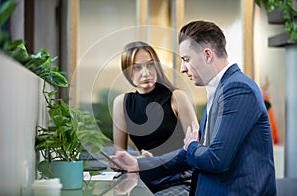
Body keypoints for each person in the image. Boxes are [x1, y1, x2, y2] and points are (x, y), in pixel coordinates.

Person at [110, 21, 276, 195]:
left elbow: (215, 159)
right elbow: (190, 153)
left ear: (207, 55)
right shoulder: (220, 89)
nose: (182, 68)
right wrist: (138, 163)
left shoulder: (238, 89)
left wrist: (192, 146)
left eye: (186, 59)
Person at [112, 41, 198, 194]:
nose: (146, 73)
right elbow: (121, 159)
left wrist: (147, 162)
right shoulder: (121, 103)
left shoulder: (176, 97)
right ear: (126, 71)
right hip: (145, 180)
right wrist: (141, 159)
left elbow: (197, 148)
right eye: (137, 67)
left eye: (150, 65)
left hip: (179, 179)